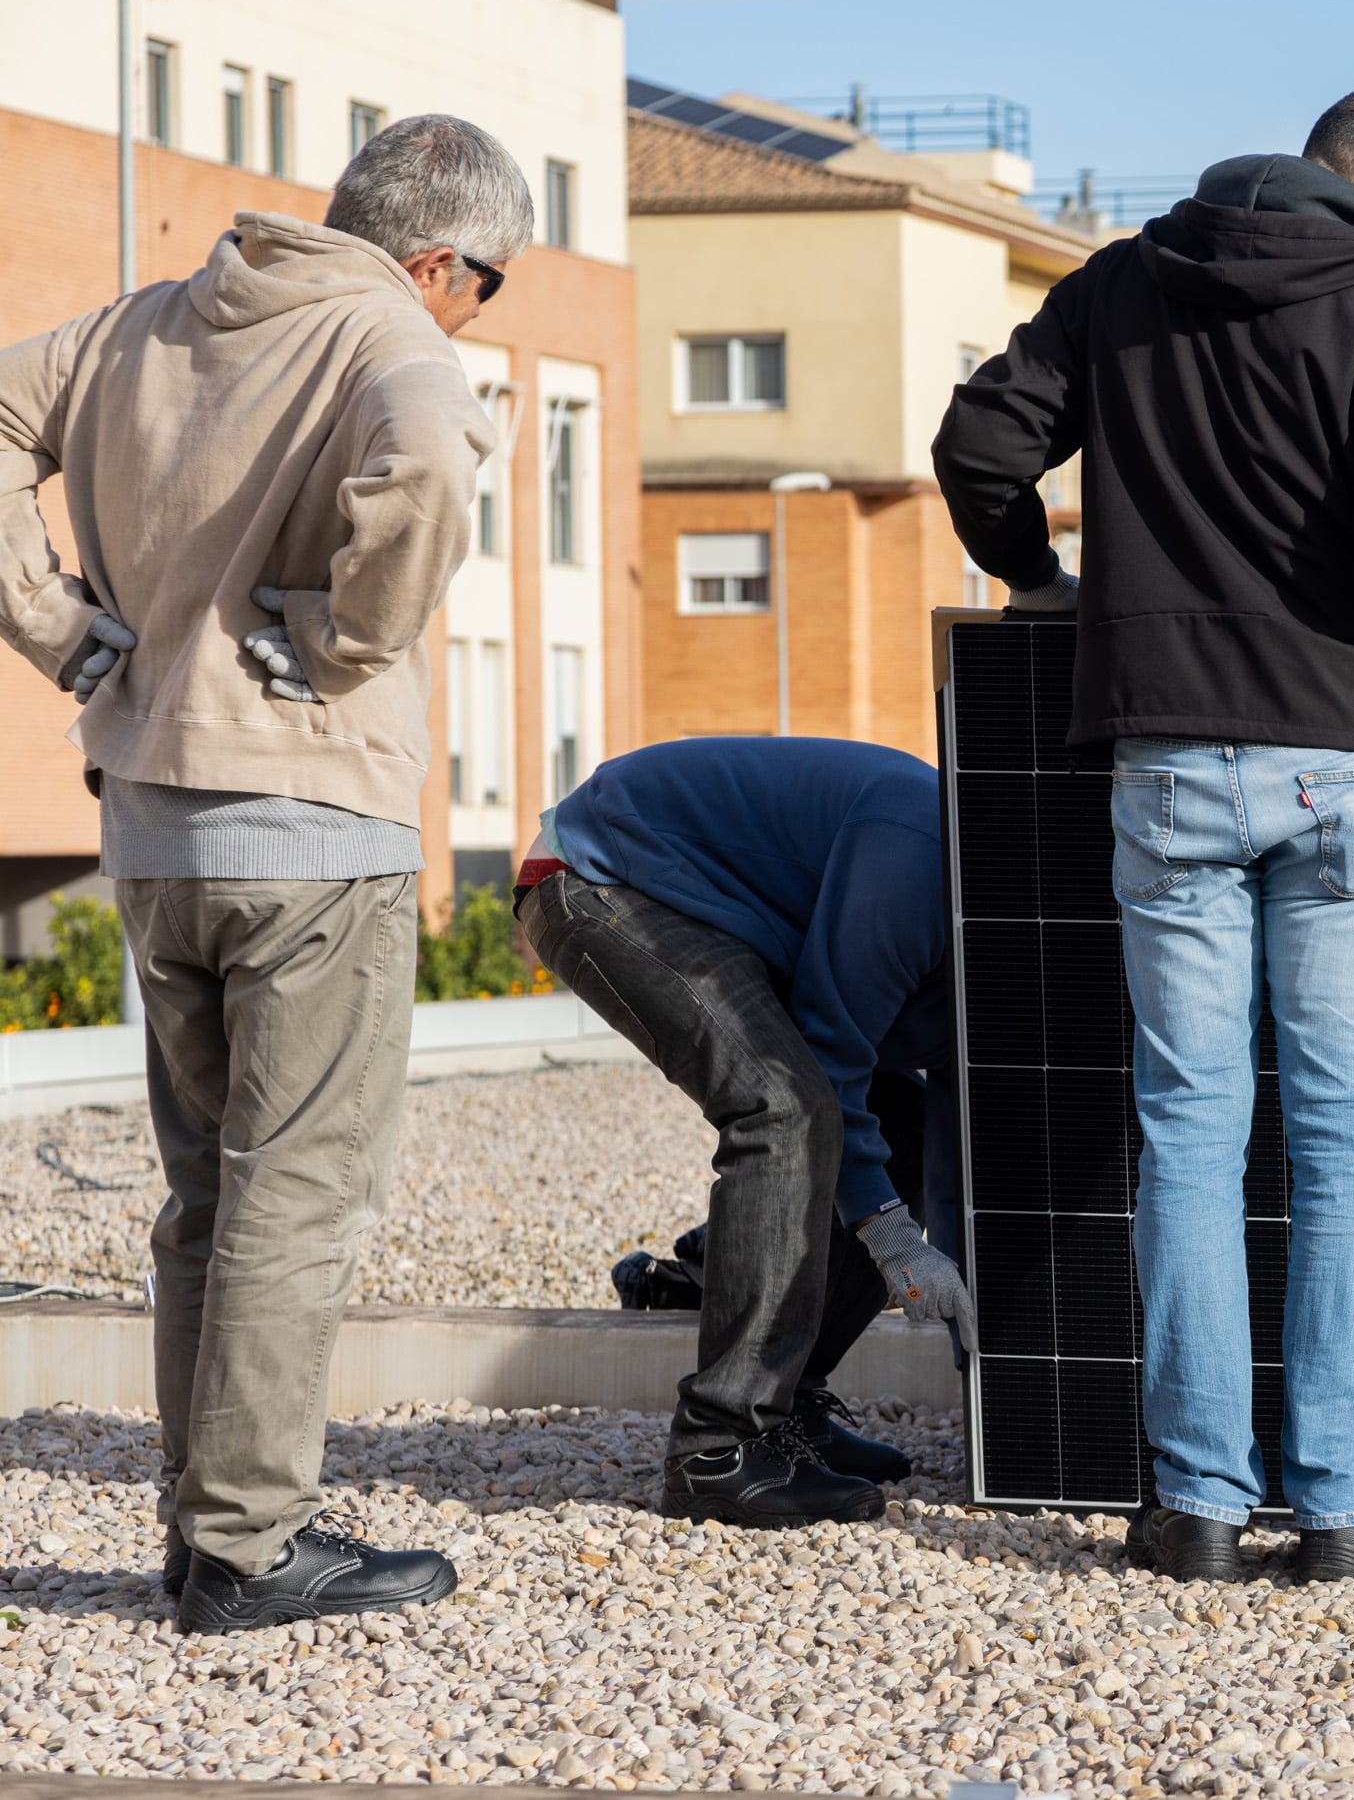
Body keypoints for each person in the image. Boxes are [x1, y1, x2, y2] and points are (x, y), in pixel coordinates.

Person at [934, 77, 1354, 1584]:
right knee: (1342, 1141)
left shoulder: (1131, 282)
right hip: (1352, 768)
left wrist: (1044, 587)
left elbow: (984, 449)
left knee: (1188, 1136)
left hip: (1169, 765)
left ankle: (1194, 1502)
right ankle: (1338, 1506)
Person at [0, 115, 526, 1632]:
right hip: (309, 830)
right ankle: (246, 1544)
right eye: (485, 286)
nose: (478, 312)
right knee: (295, 1194)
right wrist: (352, 639)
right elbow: (427, 453)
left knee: (203, 1198)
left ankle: (201, 1518)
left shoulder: (153, 314)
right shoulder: (387, 333)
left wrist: (55, 629)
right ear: (435, 257)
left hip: (154, 828)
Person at [517, 735, 970, 1527]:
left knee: (894, 1128)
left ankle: (787, 1405)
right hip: (607, 875)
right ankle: (721, 1447)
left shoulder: (1025, 953)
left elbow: (949, 1134)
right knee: (785, 1109)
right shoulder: (923, 860)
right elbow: (829, 1057)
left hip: (719, 906)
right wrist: (894, 1239)